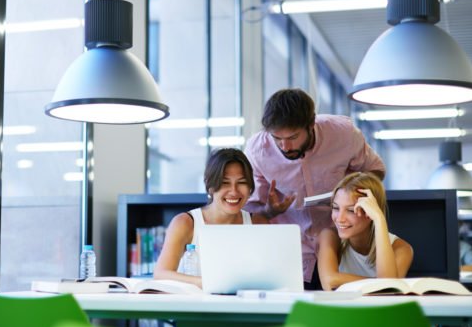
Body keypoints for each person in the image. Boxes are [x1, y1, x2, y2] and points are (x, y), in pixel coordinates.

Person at [244, 88, 386, 289]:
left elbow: (375, 171)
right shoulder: (257, 150)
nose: (284, 146)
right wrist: (270, 210)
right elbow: (249, 210)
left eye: (293, 137)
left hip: (343, 246)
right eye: (277, 138)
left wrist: (349, 194)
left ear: (311, 124)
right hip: (290, 253)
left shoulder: (343, 133)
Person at [153, 148, 268, 287]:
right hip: (196, 306)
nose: (234, 191)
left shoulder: (258, 224)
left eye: (242, 182)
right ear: (210, 186)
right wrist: (207, 283)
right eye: (225, 183)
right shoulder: (185, 223)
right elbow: (161, 274)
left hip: (243, 306)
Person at [317, 172, 413, 290]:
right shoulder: (330, 236)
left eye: (351, 210)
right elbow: (329, 282)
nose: (340, 219)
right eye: (336, 208)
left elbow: (387, 291)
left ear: (371, 211)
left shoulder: (402, 248)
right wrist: (379, 283)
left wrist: (379, 219)